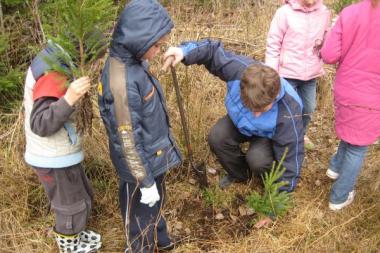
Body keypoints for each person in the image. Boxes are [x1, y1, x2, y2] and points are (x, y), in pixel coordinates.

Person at [163, 39, 304, 193]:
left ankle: (268, 181)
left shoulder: (289, 109)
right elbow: (211, 51)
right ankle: (241, 175)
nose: (256, 115)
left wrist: (279, 197)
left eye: (262, 110)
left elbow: (291, 157)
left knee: (257, 159)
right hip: (240, 122)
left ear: (274, 97)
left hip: (267, 135)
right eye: (251, 107)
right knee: (217, 137)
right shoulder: (239, 71)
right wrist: (184, 52)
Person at [97, 0, 182, 252]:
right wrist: (144, 182)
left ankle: (161, 239)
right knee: (139, 217)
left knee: (154, 206)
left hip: (152, 157)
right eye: (156, 46)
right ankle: (140, 247)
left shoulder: (133, 62)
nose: (158, 50)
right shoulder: (120, 83)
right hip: (138, 168)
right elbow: (127, 141)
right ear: (138, 40)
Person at [23, 40, 101, 253]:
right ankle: (69, 244)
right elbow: (40, 123)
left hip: (62, 151)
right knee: (71, 206)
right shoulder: (52, 72)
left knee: (82, 195)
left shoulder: (59, 58)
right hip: (52, 156)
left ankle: (76, 234)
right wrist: (69, 99)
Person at [320, 0, 380, 211]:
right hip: (373, 95)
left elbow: (328, 55)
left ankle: (335, 168)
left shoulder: (350, 12)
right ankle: (339, 196)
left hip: (346, 88)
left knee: (352, 133)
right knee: (358, 146)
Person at [265, 0, 331, 150]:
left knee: (309, 108)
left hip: (310, 74)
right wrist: (272, 73)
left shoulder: (324, 12)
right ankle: (284, 139)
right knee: (287, 110)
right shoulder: (284, 13)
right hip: (287, 73)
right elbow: (273, 43)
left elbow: (327, 42)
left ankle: (301, 133)